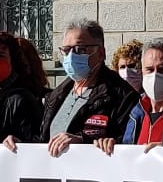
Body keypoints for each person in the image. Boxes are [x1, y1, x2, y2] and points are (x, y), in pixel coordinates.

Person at [35, 18, 134, 155]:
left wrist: (82, 140)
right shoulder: (57, 95)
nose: (71, 57)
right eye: (66, 50)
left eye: (79, 49)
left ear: (100, 53)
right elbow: (43, 139)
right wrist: (18, 143)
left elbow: (129, 143)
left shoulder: (121, 95)